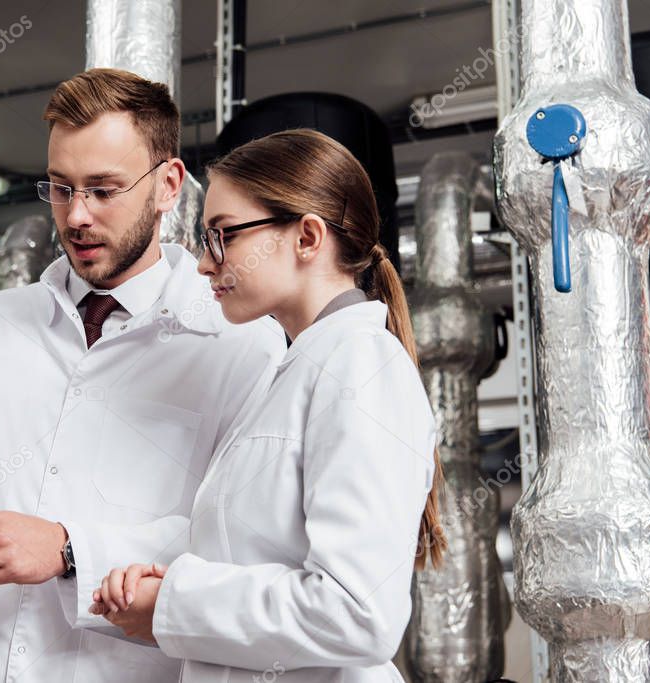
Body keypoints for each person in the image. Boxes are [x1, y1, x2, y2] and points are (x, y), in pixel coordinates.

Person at [0, 68, 286, 683]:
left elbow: (244, 549)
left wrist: (72, 550)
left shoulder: (239, 342)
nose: (76, 216)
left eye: (103, 189)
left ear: (168, 185)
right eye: (61, 187)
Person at [90, 129, 446, 682]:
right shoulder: (298, 370)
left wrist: (175, 603)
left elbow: (357, 613)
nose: (205, 266)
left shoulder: (361, 366)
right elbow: (255, 559)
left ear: (307, 237)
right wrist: (158, 584)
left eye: (222, 236)